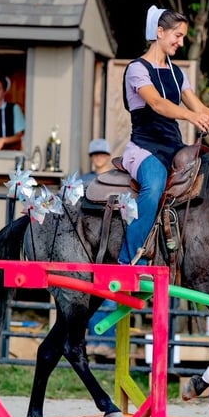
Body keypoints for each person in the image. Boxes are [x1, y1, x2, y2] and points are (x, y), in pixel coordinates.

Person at [119, 5, 209, 265]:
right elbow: (157, 103)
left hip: (174, 149)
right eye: (177, 35)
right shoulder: (137, 69)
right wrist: (190, 116)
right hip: (144, 149)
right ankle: (129, 259)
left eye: (183, 37)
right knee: (153, 186)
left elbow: (199, 107)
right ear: (160, 32)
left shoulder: (178, 73)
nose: (181, 42)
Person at [81, 137, 118, 358]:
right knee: (93, 291)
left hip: (107, 241)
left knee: (107, 290)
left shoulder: (114, 180)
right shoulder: (85, 180)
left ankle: (105, 343)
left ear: (108, 156)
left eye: (102, 154)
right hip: (88, 241)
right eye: (95, 155)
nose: (99, 158)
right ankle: (96, 342)